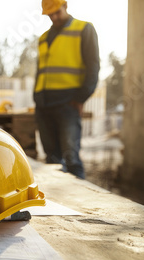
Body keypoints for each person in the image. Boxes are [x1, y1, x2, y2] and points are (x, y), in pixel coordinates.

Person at [33, 0, 100, 179]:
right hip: (44, 104)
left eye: (57, 12)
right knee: (52, 162)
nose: (54, 17)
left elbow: (93, 67)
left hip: (67, 103)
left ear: (66, 6)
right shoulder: (43, 38)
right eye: (50, 14)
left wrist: (81, 98)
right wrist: (36, 97)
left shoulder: (84, 29)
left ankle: (81, 205)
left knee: (71, 160)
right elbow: (41, 71)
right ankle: (57, 206)